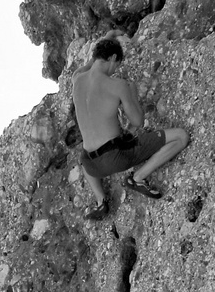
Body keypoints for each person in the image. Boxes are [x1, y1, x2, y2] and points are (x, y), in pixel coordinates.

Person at [72, 33, 189, 218]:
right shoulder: (118, 85)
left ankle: (101, 200)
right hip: (115, 158)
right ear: (112, 58)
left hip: (90, 166)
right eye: (117, 64)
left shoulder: (76, 80)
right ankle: (138, 178)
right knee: (181, 136)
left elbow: (90, 65)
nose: (115, 70)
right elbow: (138, 122)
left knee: (86, 153)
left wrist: (108, 38)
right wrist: (133, 94)